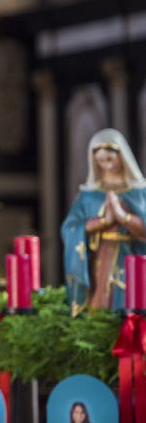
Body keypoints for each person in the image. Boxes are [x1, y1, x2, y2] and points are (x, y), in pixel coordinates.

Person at [61, 129, 146, 312]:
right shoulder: (89, 194)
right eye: (101, 161)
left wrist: (124, 217)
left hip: (131, 254)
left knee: (132, 296)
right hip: (101, 256)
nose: (107, 166)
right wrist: (103, 221)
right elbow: (70, 228)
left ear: (121, 157)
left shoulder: (139, 192)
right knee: (101, 299)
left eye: (110, 159)